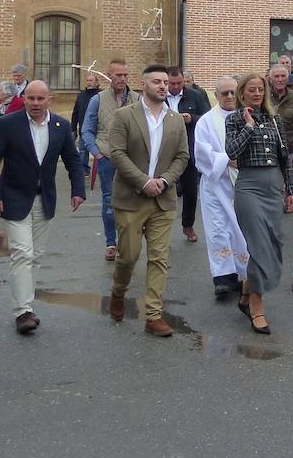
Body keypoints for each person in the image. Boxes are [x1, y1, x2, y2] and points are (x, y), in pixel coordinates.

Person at [0, 80, 85, 335]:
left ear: (50, 99)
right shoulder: (7, 124)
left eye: (40, 99)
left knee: (35, 256)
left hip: (45, 200)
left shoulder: (61, 126)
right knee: (22, 253)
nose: (35, 103)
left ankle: (26, 303)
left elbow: (72, 159)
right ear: (23, 99)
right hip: (14, 197)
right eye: (31, 98)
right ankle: (23, 311)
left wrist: (78, 190)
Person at [107, 65, 190, 337]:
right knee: (128, 256)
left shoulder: (176, 119)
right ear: (143, 85)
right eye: (157, 81)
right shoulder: (124, 116)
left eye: (166, 82)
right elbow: (117, 153)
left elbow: (182, 157)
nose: (163, 86)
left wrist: (164, 181)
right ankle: (118, 292)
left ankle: (153, 315)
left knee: (159, 258)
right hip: (131, 197)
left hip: (163, 200)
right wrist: (144, 181)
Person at [226, 74, 293, 332]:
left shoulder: (275, 119)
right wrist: (248, 126)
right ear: (242, 93)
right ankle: (257, 307)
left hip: (273, 188)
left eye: (260, 89)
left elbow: (285, 159)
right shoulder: (234, 118)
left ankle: (247, 287)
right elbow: (231, 152)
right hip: (249, 187)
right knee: (258, 247)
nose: (256, 94)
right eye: (251, 90)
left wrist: (291, 190)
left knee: (274, 244)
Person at [195, 76, 252, 298]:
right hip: (216, 184)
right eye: (224, 93)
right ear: (216, 95)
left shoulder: (247, 116)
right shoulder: (206, 121)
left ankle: (242, 275)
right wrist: (228, 159)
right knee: (218, 230)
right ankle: (222, 278)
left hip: (244, 183)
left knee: (241, 231)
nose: (229, 96)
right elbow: (202, 151)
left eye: (232, 92)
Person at [81, 58, 137, 262]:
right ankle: (111, 243)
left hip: (132, 160)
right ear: (109, 75)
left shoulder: (137, 99)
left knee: (132, 201)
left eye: (125, 75)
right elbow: (86, 130)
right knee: (109, 201)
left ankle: (127, 242)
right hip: (106, 157)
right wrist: (96, 153)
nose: (122, 79)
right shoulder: (97, 99)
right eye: (118, 75)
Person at [167, 67, 209, 243]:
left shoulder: (195, 95)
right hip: (165, 151)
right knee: (164, 192)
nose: (176, 87)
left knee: (191, 191)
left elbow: (207, 118)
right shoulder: (159, 96)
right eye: (172, 83)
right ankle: (163, 231)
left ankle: (188, 225)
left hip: (188, 150)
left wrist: (191, 118)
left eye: (179, 83)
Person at [269, 61, 293, 150]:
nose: (280, 79)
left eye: (283, 76)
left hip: (289, 148)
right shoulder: (264, 97)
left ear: (288, 78)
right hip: (269, 147)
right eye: (276, 76)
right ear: (270, 79)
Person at [70, 71, 101, 172]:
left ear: (96, 82)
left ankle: (101, 169)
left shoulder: (101, 95)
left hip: (98, 128)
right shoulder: (81, 95)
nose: (89, 82)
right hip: (84, 128)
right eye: (87, 81)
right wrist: (73, 128)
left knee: (100, 150)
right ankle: (84, 170)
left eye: (91, 80)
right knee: (83, 151)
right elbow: (75, 112)